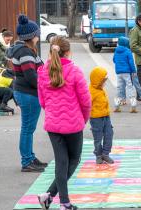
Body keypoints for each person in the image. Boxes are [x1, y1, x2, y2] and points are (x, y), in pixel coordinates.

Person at [37, 36, 91, 210]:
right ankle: (63, 202)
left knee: (61, 162)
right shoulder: (74, 71)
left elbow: (42, 101)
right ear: (68, 51)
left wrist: (53, 114)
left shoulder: (42, 72)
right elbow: (86, 101)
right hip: (73, 124)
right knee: (73, 160)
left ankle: (51, 197)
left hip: (53, 124)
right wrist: (83, 119)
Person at [7, 15, 47, 172]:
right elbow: (31, 77)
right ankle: (27, 161)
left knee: (28, 128)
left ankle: (30, 157)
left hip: (25, 93)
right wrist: (45, 86)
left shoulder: (26, 50)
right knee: (27, 129)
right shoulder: (25, 53)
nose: (38, 35)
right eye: (36, 33)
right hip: (28, 94)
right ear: (31, 36)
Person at [89, 67, 114, 164]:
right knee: (98, 137)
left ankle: (105, 154)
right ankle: (98, 155)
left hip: (106, 116)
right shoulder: (91, 91)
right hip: (96, 118)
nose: (104, 83)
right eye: (103, 81)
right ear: (97, 81)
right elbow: (87, 104)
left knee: (109, 134)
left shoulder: (101, 89)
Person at [113, 36, 138, 113]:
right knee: (130, 87)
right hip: (127, 72)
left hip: (119, 72)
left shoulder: (116, 51)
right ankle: (133, 105)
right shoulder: (127, 51)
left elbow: (114, 60)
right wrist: (133, 71)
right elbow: (131, 62)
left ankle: (117, 106)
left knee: (119, 88)